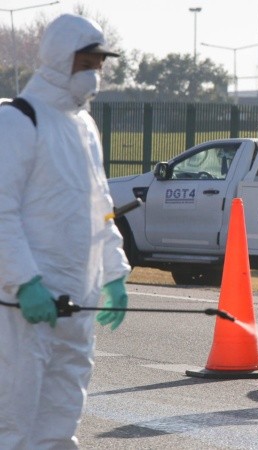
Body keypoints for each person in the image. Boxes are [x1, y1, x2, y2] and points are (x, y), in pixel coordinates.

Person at [0, 14, 131, 448]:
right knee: (13, 422)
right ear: (60, 59)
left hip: (79, 306)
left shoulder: (86, 127)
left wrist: (114, 271)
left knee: (60, 424)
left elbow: (101, 207)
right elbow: (2, 211)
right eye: (88, 62)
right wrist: (25, 282)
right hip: (25, 310)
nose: (95, 73)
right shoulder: (18, 121)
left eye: (100, 64)